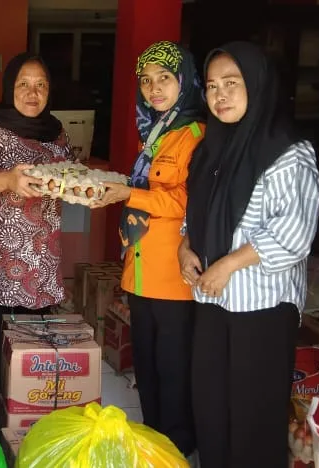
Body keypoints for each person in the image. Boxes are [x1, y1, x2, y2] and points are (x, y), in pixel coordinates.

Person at [180, 41, 319, 468]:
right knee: (212, 408)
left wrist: (227, 264)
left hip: (261, 308)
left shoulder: (287, 152)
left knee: (252, 418)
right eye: (212, 86)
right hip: (214, 299)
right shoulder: (211, 149)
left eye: (232, 84)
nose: (220, 95)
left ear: (257, 86)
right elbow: (196, 211)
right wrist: (186, 247)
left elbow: (294, 234)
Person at [93, 41, 205, 459]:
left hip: (173, 274)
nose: (153, 89)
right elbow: (146, 190)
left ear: (184, 82)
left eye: (164, 79)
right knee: (148, 367)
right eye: (145, 80)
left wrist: (128, 192)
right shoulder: (155, 132)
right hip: (140, 268)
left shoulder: (193, 134)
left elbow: (182, 201)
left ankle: (176, 447)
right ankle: (155, 442)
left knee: (174, 369)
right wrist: (120, 190)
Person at [0, 53, 71, 390]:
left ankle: (25, 420)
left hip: (42, 264)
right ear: (10, 88)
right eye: (23, 84)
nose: (32, 93)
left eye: (41, 85)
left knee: (31, 357)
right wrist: (7, 179)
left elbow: (68, 176)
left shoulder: (56, 133)